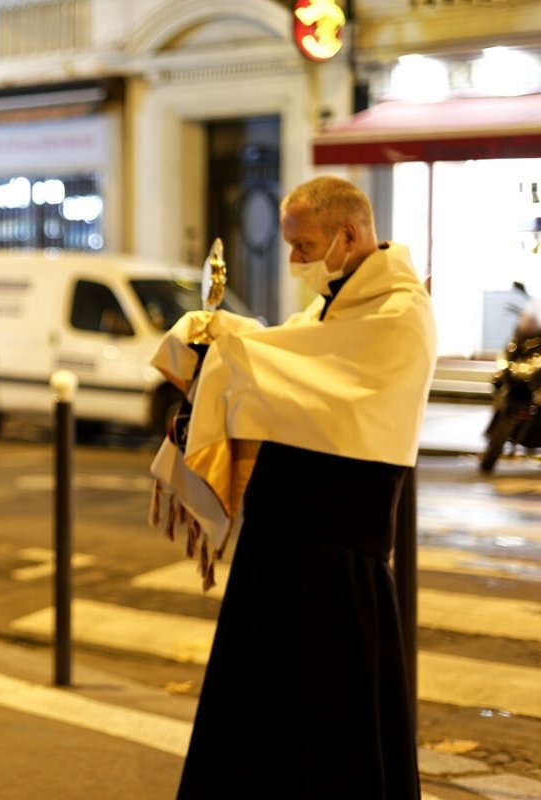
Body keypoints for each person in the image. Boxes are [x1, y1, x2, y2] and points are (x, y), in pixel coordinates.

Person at [149, 176, 436, 799]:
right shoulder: (333, 303)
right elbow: (293, 361)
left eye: (303, 245)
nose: (295, 261)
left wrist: (234, 347)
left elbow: (304, 371)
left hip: (337, 548)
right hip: (285, 541)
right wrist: (217, 342)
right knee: (264, 717)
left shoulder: (398, 311)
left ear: (348, 235)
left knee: (334, 722)